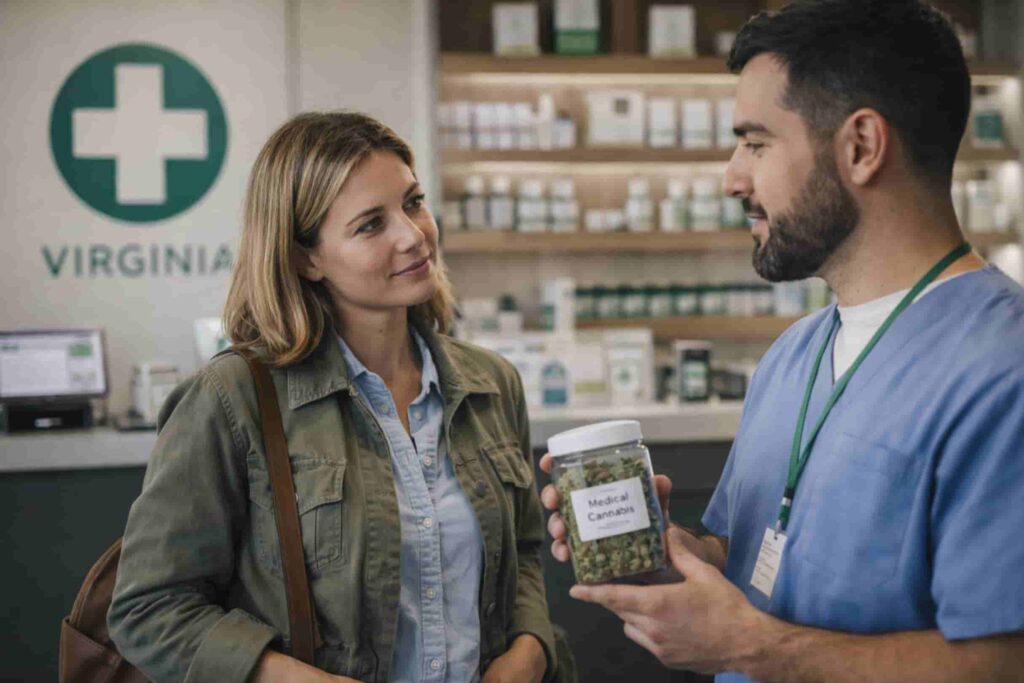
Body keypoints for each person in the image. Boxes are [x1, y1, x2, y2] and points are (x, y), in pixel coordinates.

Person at [540, 1, 1024, 681]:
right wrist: (665, 551)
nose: (732, 177)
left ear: (860, 146)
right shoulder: (794, 354)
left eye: (756, 142)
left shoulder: (1002, 373)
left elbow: (1002, 664)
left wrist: (751, 647)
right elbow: (754, 554)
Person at [108, 112, 556, 683]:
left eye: (413, 202)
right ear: (306, 257)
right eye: (371, 225)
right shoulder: (233, 399)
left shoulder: (491, 385)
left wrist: (529, 652)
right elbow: (149, 609)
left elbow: (524, 556)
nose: (413, 234)